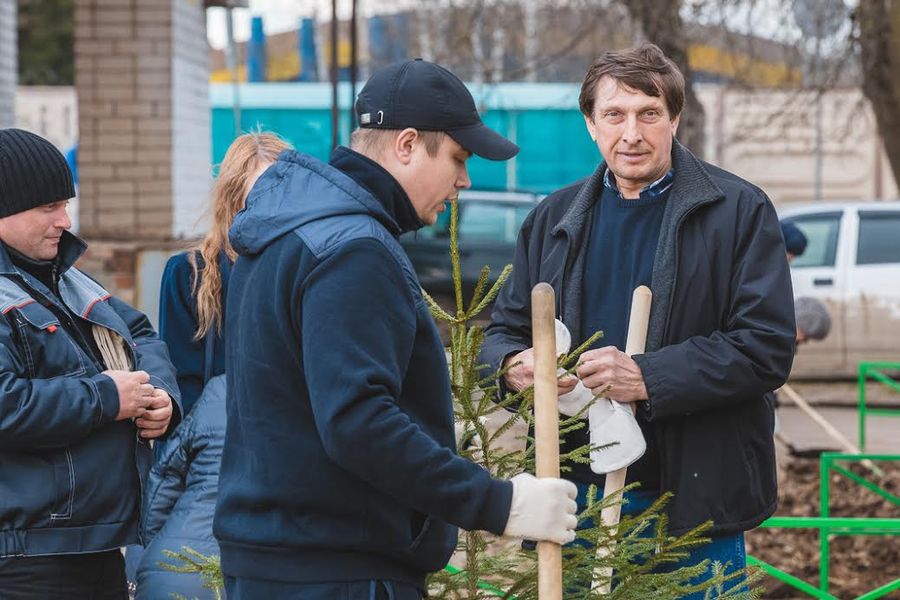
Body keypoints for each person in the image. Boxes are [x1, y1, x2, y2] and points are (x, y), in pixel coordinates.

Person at [213, 59, 578, 600]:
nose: (464, 180)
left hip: (281, 559)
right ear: (407, 144)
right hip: (338, 570)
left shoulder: (293, 232)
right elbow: (359, 421)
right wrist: (500, 502)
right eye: (457, 157)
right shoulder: (352, 250)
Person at [479, 44, 796, 594]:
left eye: (649, 113)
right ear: (590, 124)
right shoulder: (550, 220)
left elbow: (764, 347)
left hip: (691, 507)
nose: (632, 133)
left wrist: (648, 376)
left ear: (673, 118)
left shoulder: (738, 211)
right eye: (614, 115)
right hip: (574, 497)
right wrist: (512, 364)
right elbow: (503, 331)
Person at [0, 128, 180, 598]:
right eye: (47, 208)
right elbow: (5, 404)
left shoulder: (65, 277)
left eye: (65, 203)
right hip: (24, 561)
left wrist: (158, 395)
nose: (64, 220)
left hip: (94, 543)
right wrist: (106, 397)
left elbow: (139, 333)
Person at [134, 132, 290, 600]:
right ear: (230, 198)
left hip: (290, 449)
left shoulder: (307, 264)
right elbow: (181, 381)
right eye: (250, 197)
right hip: (216, 464)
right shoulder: (191, 272)